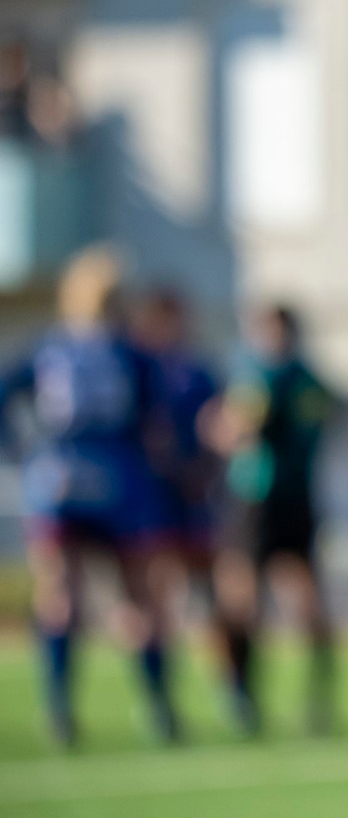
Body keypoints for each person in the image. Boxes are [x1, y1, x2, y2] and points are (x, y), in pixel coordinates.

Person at [0, 248, 180, 746]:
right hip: (114, 479)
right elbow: (159, 421)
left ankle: (61, 711)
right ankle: (157, 707)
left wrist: (22, 454)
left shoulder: (51, 348)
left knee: (63, 597)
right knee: (135, 598)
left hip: (61, 477)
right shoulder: (128, 354)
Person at [212, 303, 338, 734]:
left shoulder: (267, 377)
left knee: (263, 602)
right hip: (279, 499)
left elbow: (236, 429)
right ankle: (278, 698)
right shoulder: (307, 379)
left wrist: (219, 426)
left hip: (266, 499)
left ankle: (259, 695)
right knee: (274, 602)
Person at [127, 286, 245, 730]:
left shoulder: (197, 372)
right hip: (150, 501)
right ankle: (160, 702)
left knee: (207, 600)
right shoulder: (136, 368)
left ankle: (231, 691)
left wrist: (213, 458)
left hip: (193, 500)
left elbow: (218, 424)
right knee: (155, 601)